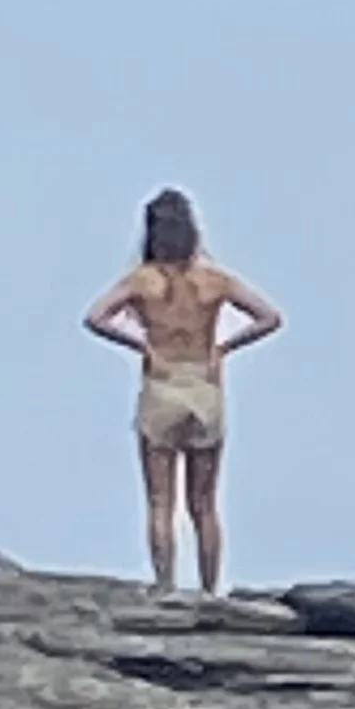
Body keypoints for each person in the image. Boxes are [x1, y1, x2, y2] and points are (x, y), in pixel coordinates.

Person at [83, 190, 283, 595]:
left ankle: (165, 585)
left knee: (160, 501)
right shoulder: (215, 280)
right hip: (205, 387)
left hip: (162, 385)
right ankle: (211, 591)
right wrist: (225, 347)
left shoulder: (142, 280)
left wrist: (140, 344)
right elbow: (269, 317)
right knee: (205, 503)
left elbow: (96, 317)